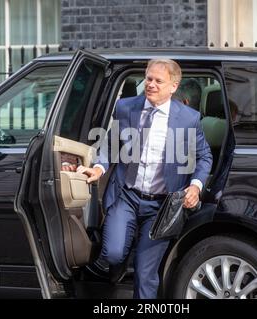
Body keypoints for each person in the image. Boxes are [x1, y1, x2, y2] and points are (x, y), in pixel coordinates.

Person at [77, 59, 213, 299]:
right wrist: (99, 167)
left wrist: (195, 185)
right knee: (113, 254)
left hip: (161, 207)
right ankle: (117, 268)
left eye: (158, 81)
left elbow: (204, 157)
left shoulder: (189, 119)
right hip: (127, 196)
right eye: (148, 78)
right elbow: (111, 144)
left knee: (145, 271)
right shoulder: (126, 107)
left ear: (173, 86)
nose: (150, 84)